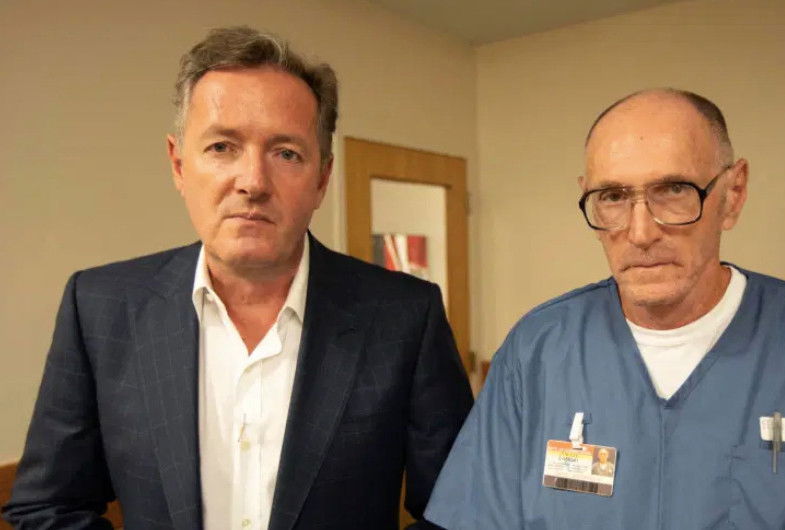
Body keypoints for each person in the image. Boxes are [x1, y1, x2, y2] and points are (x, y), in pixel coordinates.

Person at [3, 26, 472, 530]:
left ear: (322, 178)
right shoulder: (100, 309)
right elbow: (46, 508)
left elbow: (462, 512)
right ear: (178, 164)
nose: (252, 182)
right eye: (222, 146)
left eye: (286, 153)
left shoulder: (405, 317)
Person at [424, 89, 785, 529]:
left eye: (673, 190)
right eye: (613, 197)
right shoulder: (538, 349)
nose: (641, 232)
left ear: (733, 194)